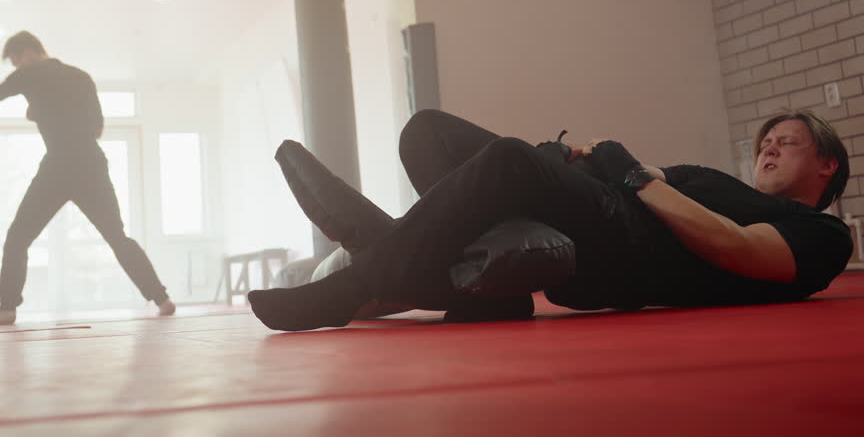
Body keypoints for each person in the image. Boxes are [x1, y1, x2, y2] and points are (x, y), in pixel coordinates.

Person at [249, 109, 854, 331]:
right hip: (607, 212)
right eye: (766, 139)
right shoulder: (715, 180)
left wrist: (632, 175)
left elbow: (737, 249)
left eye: (789, 142)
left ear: (827, 165)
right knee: (428, 131)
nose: (769, 147)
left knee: (508, 159)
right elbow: (646, 179)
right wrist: (571, 161)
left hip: (631, 252)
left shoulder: (824, 236)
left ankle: (357, 283)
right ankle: (486, 291)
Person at [0, 31, 175, 326]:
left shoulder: (27, 74)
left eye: (16, 60)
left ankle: (7, 309)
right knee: (118, 237)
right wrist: (44, 113)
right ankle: (162, 299)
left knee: (18, 237)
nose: (16, 67)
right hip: (92, 163)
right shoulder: (81, 77)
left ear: (28, 53)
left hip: (59, 165)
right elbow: (96, 130)